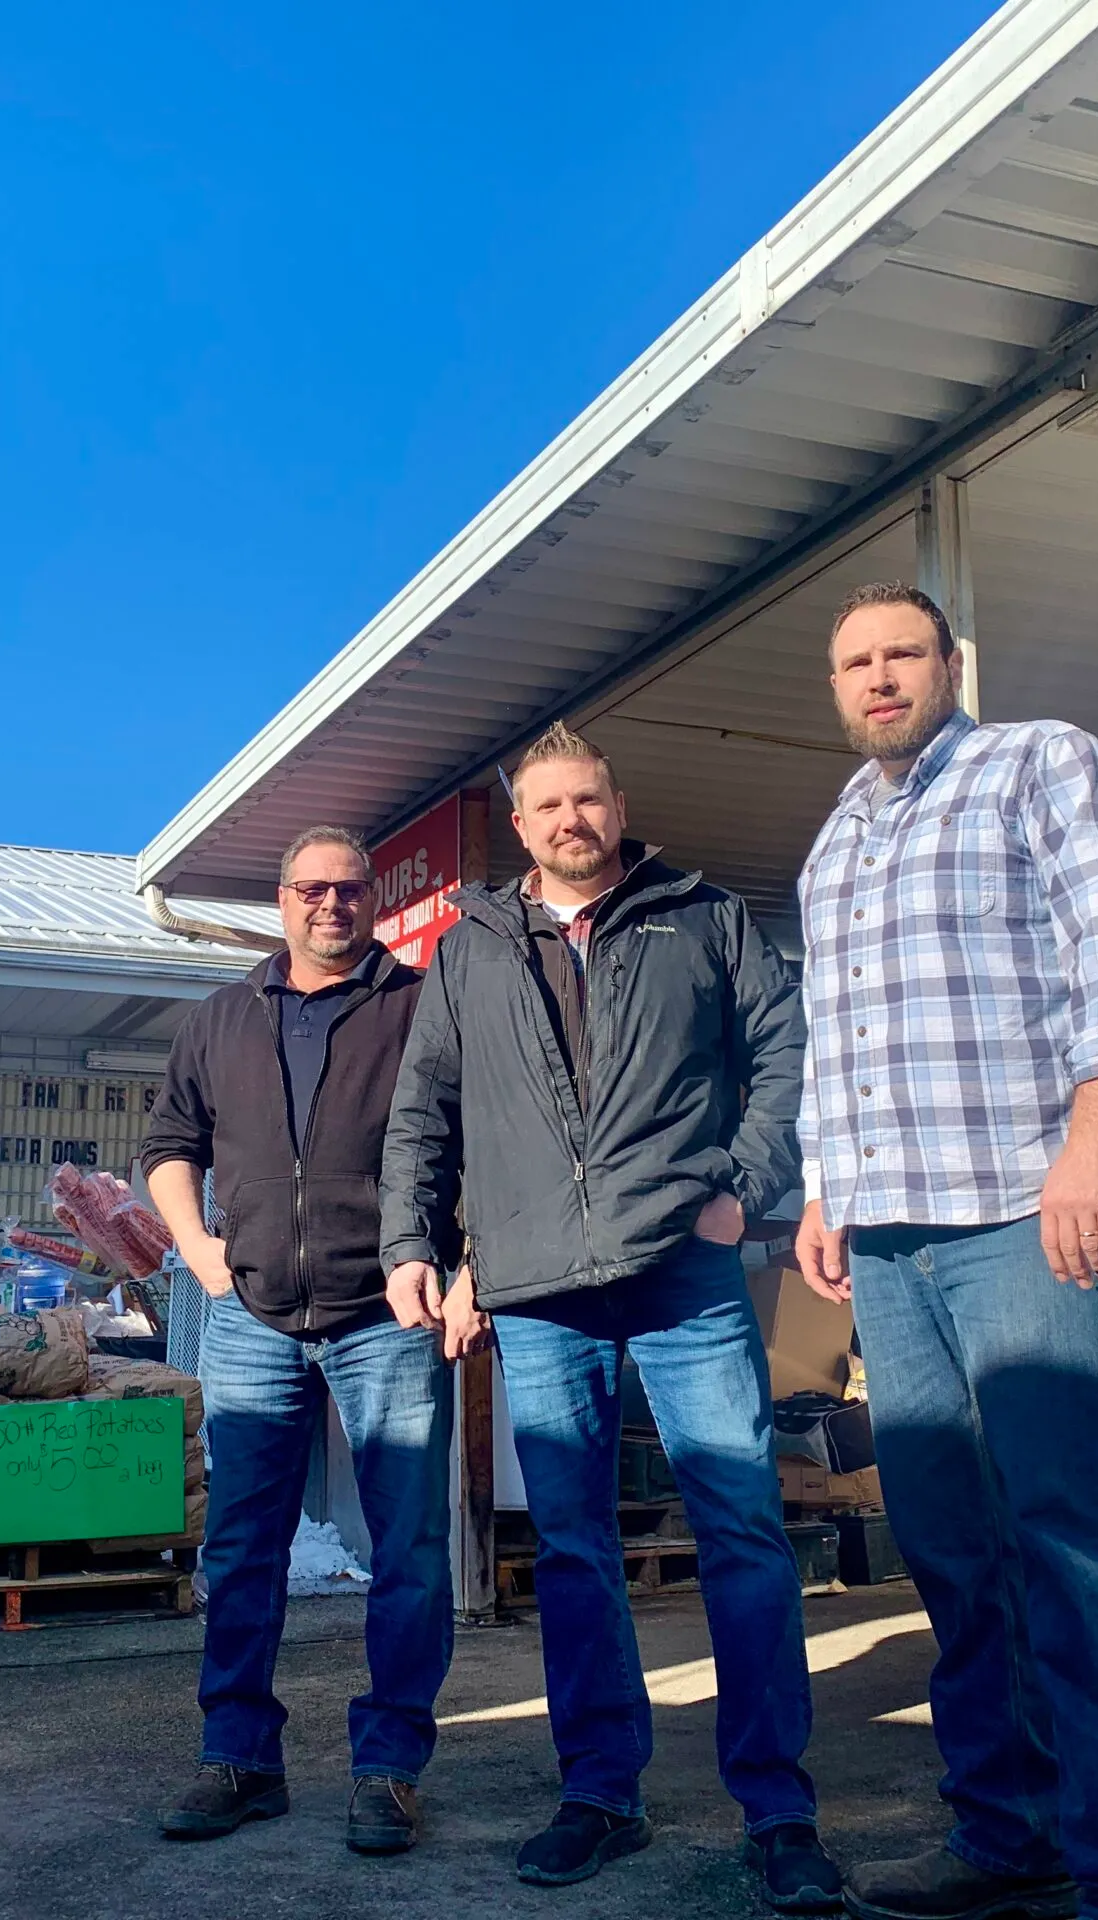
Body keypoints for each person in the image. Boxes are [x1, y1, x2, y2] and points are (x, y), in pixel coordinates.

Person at [792, 582, 1098, 1920]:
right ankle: (1003, 1833)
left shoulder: (1045, 762)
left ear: (948, 663)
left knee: (1071, 1538)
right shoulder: (834, 843)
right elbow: (832, 1039)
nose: (879, 677)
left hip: (1029, 1210)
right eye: (855, 662)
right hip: (893, 1236)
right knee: (953, 1551)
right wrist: (821, 1187)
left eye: (902, 653)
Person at [381, 723, 835, 1911]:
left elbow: (785, 1049)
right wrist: (412, 1246)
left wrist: (745, 1183)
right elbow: (425, 1108)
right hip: (538, 1289)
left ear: (616, 805)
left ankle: (779, 1810)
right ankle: (599, 1793)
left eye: (587, 799)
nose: (570, 818)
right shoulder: (469, 946)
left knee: (739, 1529)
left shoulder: (700, 913)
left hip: (683, 1264)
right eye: (547, 805)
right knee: (576, 1549)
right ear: (519, 824)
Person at [140, 825, 451, 1857]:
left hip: (388, 1315)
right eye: (311, 888)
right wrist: (197, 1247)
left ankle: (391, 1767)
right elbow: (168, 1145)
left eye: (349, 889)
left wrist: (466, 1272)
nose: (331, 904)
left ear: (373, 901)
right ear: (281, 900)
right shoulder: (221, 1018)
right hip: (253, 1318)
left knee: (406, 1548)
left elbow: (474, 1143)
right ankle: (239, 1759)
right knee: (241, 1549)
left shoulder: (421, 1008)